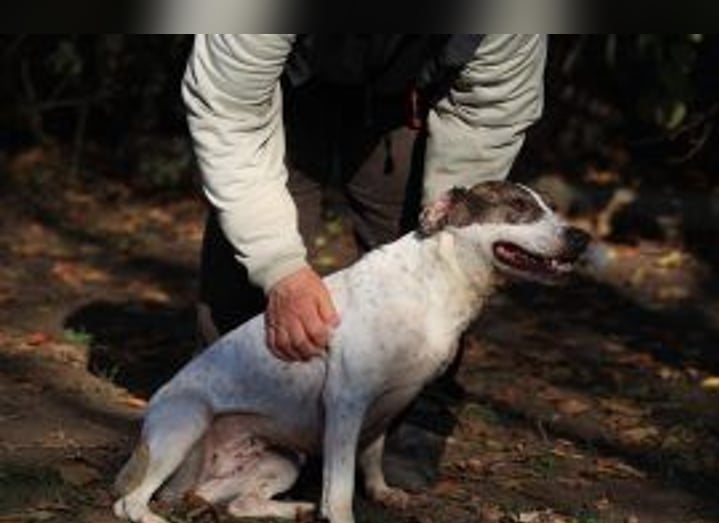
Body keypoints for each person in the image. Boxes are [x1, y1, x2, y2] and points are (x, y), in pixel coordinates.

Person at [183, 35, 547, 361]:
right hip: (284, 79)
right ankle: (223, 390)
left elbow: (488, 119)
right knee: (256, 241)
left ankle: (412, 396)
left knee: (414, 241)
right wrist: (280, 269)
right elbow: (230, 113)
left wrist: (452, 230)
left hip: (407, 90)